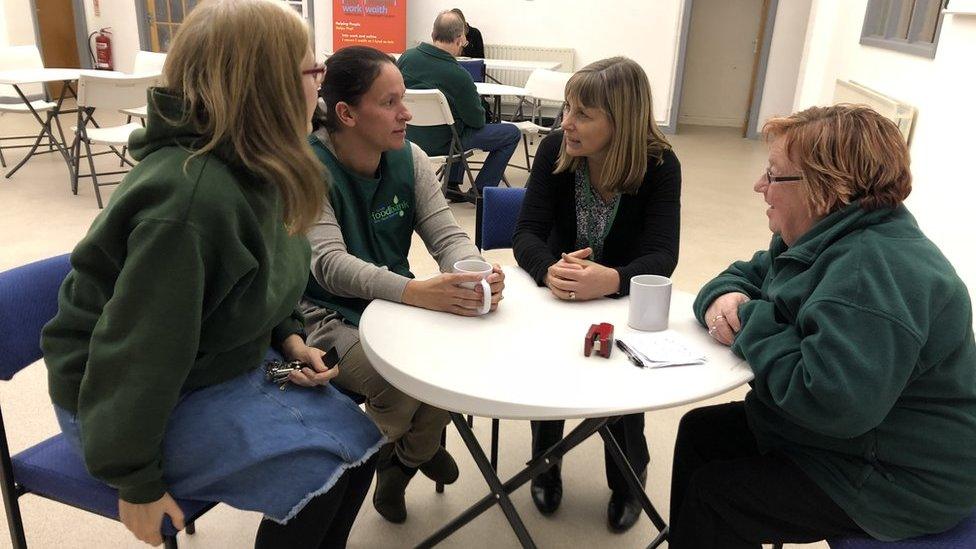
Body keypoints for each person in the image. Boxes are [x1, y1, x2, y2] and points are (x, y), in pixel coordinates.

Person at [40, 1, 384, 547]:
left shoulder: (255, 165)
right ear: (267, 85)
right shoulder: (192, 202)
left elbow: (252, 284)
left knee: (363, 448)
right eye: (312, 72)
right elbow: (137, 353)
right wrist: (135, 480)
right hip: (116, 405)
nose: (320, 87)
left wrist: (289, 336)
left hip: (203, 364)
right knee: (331, 467)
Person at [672, 104, 976, 548]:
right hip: (851, 444)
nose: (760, 186)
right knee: (702, 432)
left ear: (829, 188)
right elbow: (740, 277)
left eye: (774, 176)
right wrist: (725, 299)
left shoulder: (871, 272)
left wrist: (749, 318)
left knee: (716, 497)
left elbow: (831, 402)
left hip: (899, 477)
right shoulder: (816, 238)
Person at [302, 45, 506, 524]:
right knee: (401, 382)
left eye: (403, 99)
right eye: (390, 102)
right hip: (325, 313)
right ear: (346, 113)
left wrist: (475, 273)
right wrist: (416, 292)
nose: (406, 113)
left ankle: (403, 459)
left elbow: (447, 236)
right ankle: (397, 454)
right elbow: (329, 266)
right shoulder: (308, 169)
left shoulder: (409, 158)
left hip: (395, 304)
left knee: (446, 368)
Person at [512, 56, 681, 533]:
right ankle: (545, 461)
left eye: (582, 114)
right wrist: (550, 272)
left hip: (620, 301)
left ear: (621, 120)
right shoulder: (554, 151)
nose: (565, 122)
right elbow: (526, 232)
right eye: (567, 108)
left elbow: (663, 255)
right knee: (551, 373)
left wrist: (611, 280)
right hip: (559, 294)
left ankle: (628, 476)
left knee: (623, 387)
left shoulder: (660, 166)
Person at [397, 9, 521, 203]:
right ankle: (480, 190)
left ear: (433, 34)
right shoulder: (459, 75)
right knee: (511, 133)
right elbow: (477, 120)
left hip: (409, 137)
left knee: (456, 122)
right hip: (446, 143)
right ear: (459, 39)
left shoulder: (406, 58)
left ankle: (453, 184)